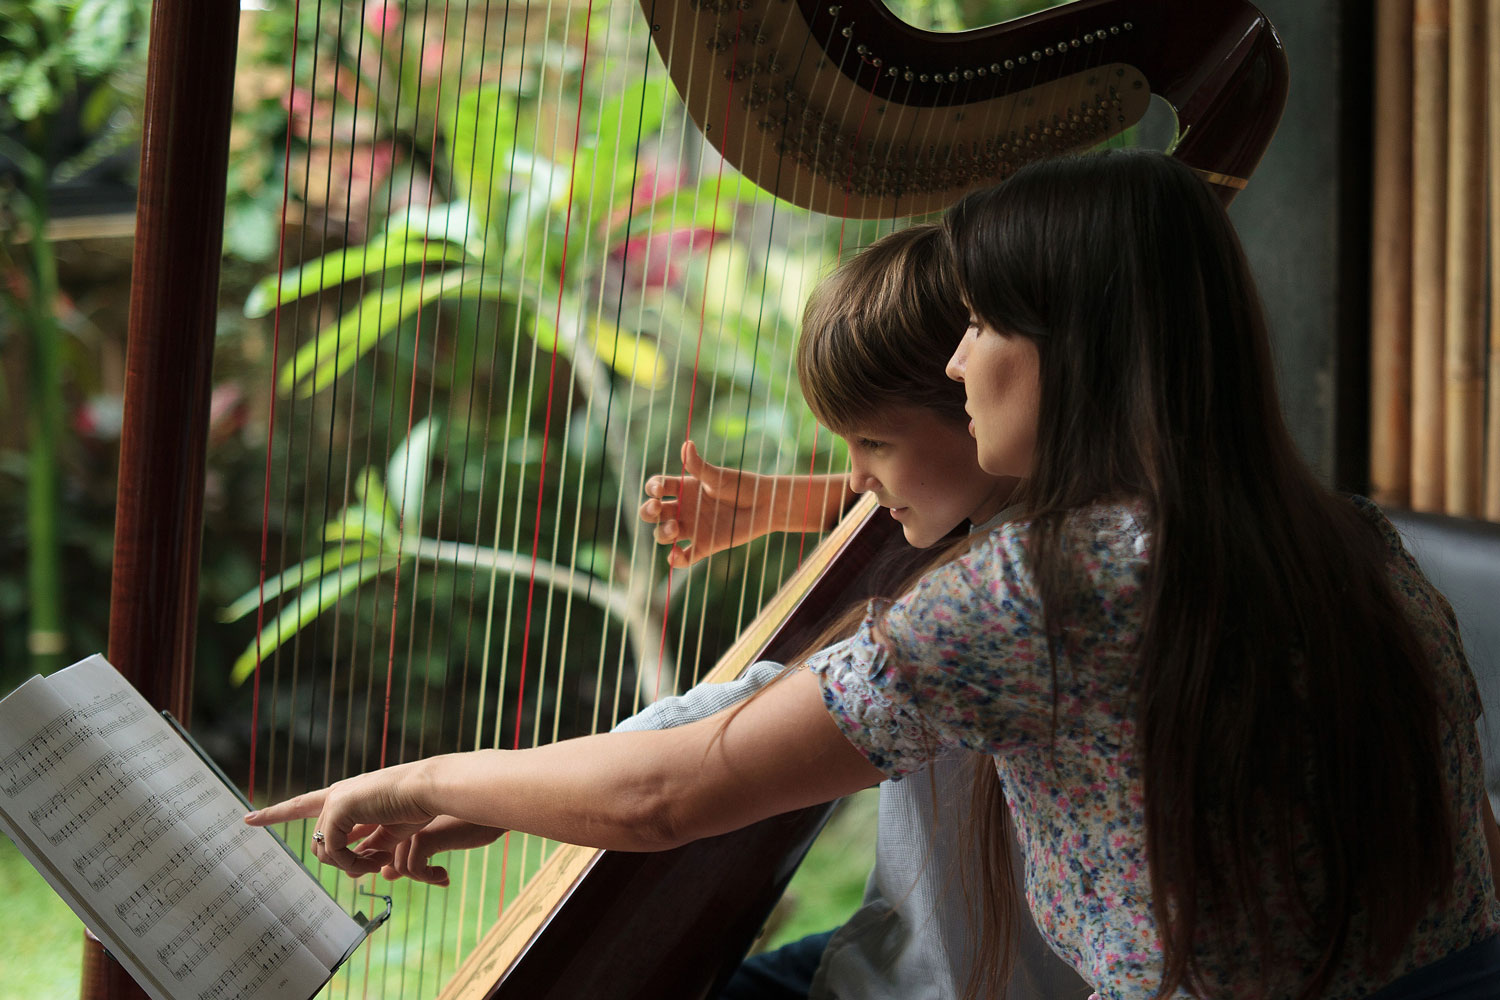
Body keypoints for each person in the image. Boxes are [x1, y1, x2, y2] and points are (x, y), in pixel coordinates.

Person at [246, 150, 1500, 998]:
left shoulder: (1045, 591)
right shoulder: (1353, 544)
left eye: (984, 324)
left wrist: (415, 774)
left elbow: (668, 797)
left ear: (1078, 350)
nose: (957, 361)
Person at [628, 222, 1088, 999]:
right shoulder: (1074, 527)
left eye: (871, 440)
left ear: (978, 404)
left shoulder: (999, 600)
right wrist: (790, 503)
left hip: (953, 978)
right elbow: (938, 477)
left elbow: (706, 754)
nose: (858, 476)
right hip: (897, 942)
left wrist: (448, 784)